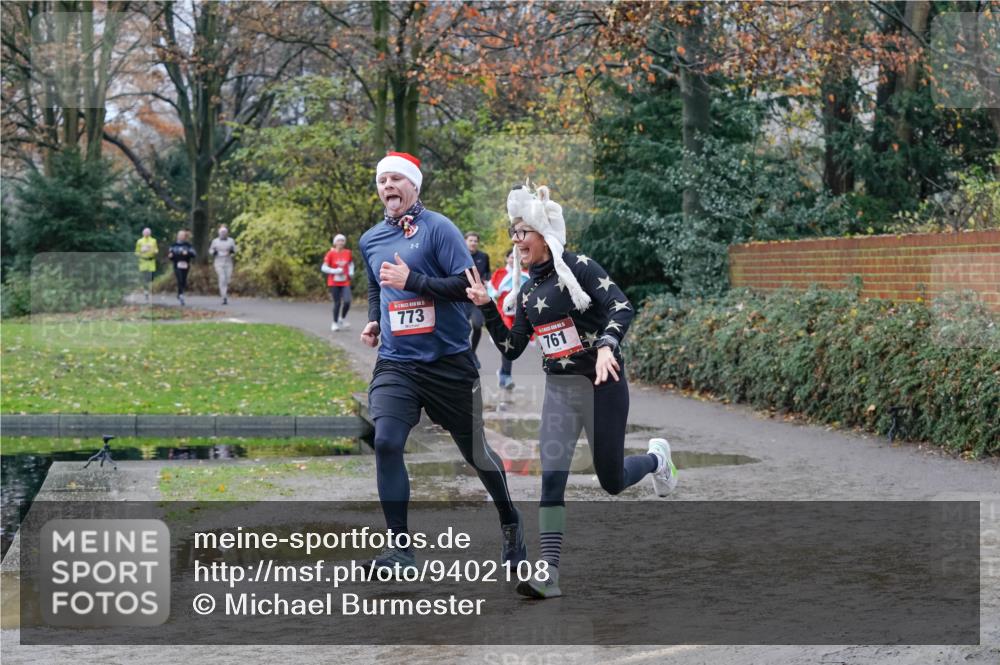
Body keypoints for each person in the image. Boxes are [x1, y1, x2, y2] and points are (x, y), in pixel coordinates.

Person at [465, 184, 679, 599]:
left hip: (603, 385)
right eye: (513, 233)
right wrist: (487, 306)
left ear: (544, 234)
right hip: (561, 392)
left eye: (522, 232)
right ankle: (549, 573)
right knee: (552, 480)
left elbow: (622, 306)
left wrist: (606, 346)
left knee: (612, 481)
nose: (516, 241)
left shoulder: (579, 268)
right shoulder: (527, 292)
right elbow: (511, 348)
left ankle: (656, 459)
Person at [358, 151, 525, 572]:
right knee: (386, 441)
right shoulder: (370, 239)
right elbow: (377, 286)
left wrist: (413, 280)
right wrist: (374, 320)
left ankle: (510, 523)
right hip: (398, 363)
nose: (388, 186)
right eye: (382, 180)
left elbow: (468, 286)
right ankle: (400, 550)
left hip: (449, 362)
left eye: (396, 179)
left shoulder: (440, 230)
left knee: (477, 454)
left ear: (414, 185)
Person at [487, 248, 529, 389]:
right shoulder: (500, 274)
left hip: (520, 315)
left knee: (513, 345)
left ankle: (504, 373)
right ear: (507, 259)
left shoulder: (526, 275)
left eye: (516, 257)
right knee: (507, 343)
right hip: (504, 314)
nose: (513, 259)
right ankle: (506, 376)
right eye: (511, 257)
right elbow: (491, 293)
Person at [464, 232, 491, 369]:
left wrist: (486, 280)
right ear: (465, 241)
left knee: (477, 324)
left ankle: (473, 353)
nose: (473, 243)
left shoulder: (483, 256)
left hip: (477, 298)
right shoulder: (459, 254)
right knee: (461, 328)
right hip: (461, 297)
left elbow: (487, 272)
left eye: (475, 241)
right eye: (471, 240)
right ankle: (463, 355)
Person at [322, 233, 354, 331]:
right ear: (335, 242)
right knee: (337, 303)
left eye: (342, 240)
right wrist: (335, 271)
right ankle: (334, 323)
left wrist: (351, 272)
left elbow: (351, 264)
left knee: (347, 301)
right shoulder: (330, 253)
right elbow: (323, 267)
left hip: (345, 281)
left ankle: (342, 319)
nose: (340, 242)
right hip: (334, 282)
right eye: (338, 240)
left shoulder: (347, 252)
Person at [167, 230, 196, 306]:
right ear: (177, 236)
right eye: (180, 235)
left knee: (184, 280)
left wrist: (188, 253)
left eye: (183, 235)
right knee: (179, 279)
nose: (181, 237)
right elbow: (170, 255)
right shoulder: (173, 245)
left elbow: (194, 254)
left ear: (185, 237)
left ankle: (180, 293)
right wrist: (170, 256)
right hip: (177, 264)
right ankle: (181, 295)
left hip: (186, 264)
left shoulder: (188, 245)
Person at [209, 226, 237, 305]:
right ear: (219, 233)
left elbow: (235, 250)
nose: (223, 234)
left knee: (227, 279)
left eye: (225, 232)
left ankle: (224, 293)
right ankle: (224, 296)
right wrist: (215, 252)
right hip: (218, 262)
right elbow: (210, 250)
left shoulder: (231, 240)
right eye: (222, 232)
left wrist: (231, 251)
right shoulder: (215, 241)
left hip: (228, 262)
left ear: (227, 233)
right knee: (222, 278)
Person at [134, 228, 158, 301]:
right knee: (144, 278)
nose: (147, 234)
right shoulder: (139, 241)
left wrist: (155, 251)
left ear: (150, 233)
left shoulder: (153, 240)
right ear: (143, 233)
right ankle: (146, 291)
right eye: (145, 232)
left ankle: (148, 289)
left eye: (148, 232)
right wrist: (141, 251)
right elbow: (136, 252)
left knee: (151, 277)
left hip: (151, 262)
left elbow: (156, 249)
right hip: (143, 261)